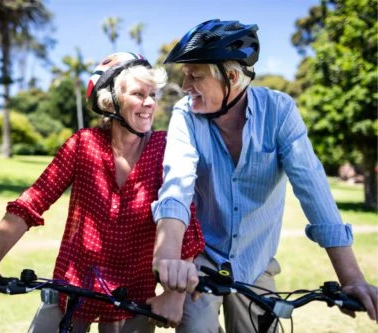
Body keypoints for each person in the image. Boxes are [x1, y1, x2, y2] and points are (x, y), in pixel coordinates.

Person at [150, 19, 378, 332]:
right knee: (194, 326)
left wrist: (351, 278)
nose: (186, 86)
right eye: (185, 75)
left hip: (255, 261)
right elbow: (176, 187)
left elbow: (313, 189)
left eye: (195, 76)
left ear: (231, 77)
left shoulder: (279, 112)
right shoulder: (185, 115)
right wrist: (167, 258)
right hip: (199, 261)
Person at [0, 51, 204, 333]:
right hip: (71, 291)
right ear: (110, 100)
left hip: (134, 300)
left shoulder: (165, 150)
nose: (150, 103)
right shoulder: (83, 145)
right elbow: (31, 203)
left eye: (153, 94)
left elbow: (184, 224)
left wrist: (173, 295)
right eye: (139, 94)